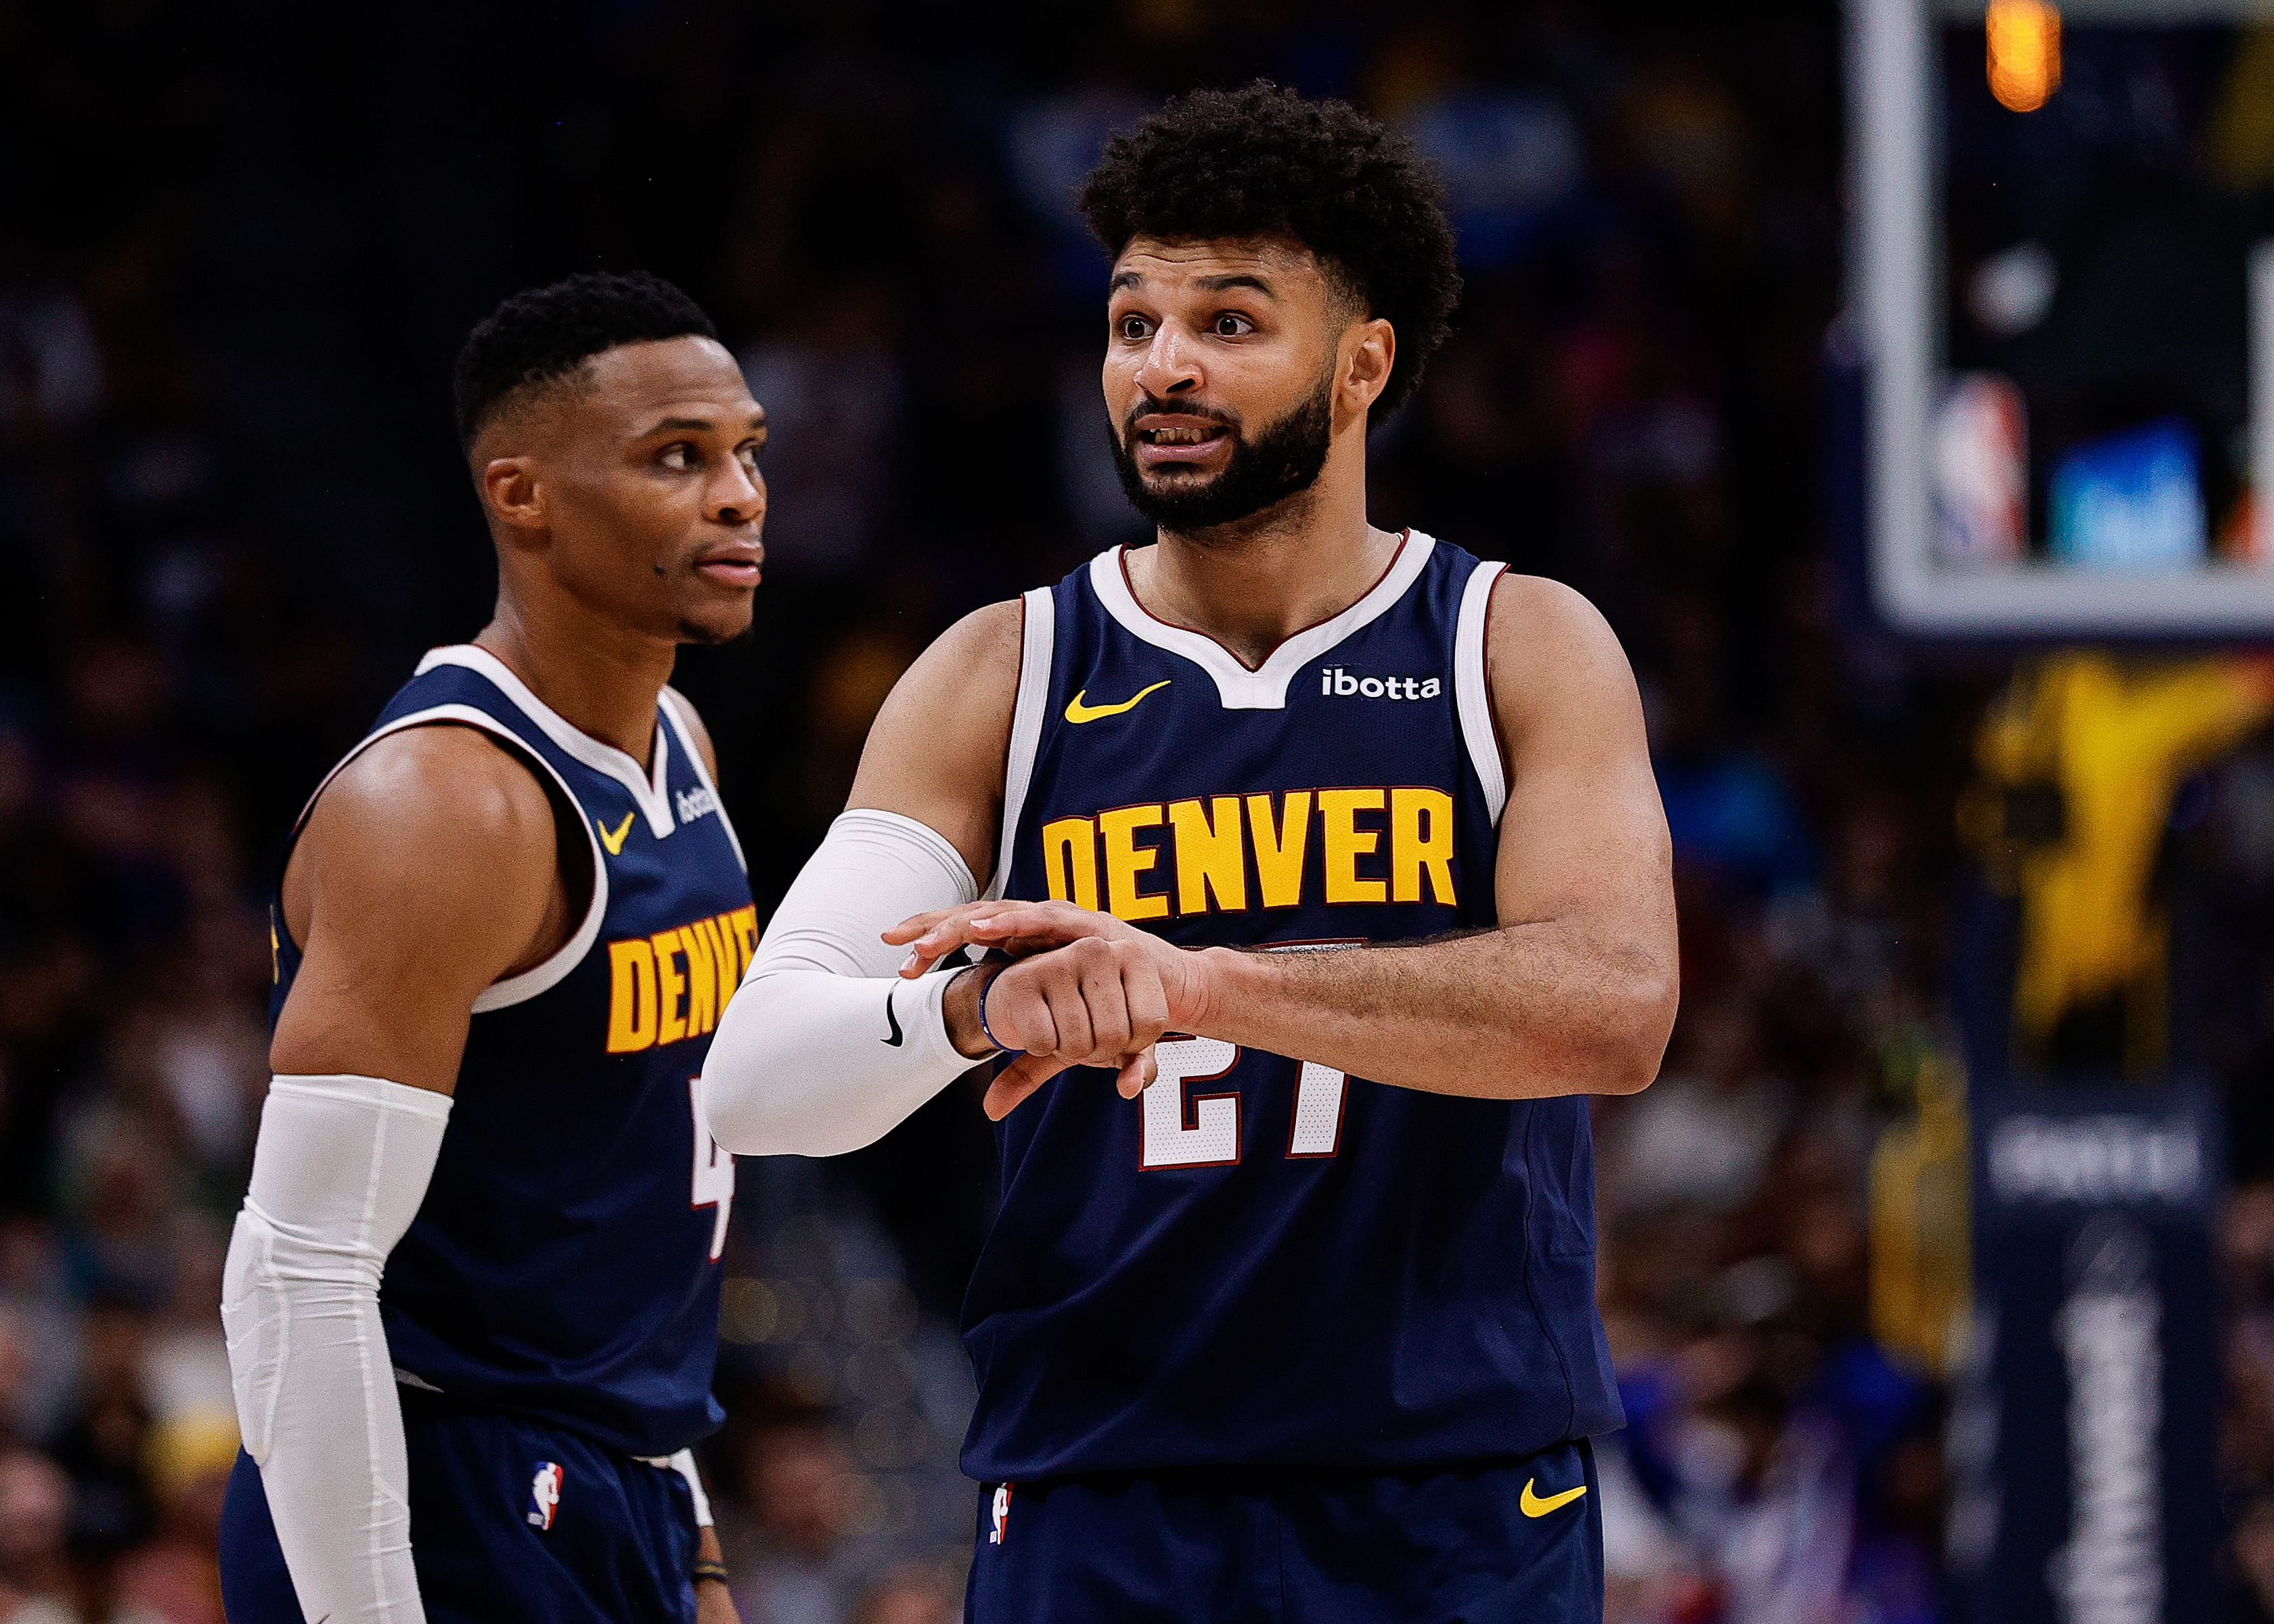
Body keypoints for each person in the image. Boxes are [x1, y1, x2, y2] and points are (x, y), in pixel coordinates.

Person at [703, 84, 1678, 1623]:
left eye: (1229, 323)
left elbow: (1614, 1008)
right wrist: (976, 1015)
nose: (1162, 366)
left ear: (1362, 365)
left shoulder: (1517, 645)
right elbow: (755, 1073)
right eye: (1133, 321)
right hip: (1107, 1490)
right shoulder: (998, 672)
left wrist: (1203, 984)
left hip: (1456, 1499)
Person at [217, 271, 763, 1624]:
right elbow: (294, 1275)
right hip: (427, 1492)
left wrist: (682, 1513)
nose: (741, 496)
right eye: (677, 460)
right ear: (522, 496)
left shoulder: (679, 748)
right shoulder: (446, 808)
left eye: (748, 453)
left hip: (613, 1477)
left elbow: (627, 1186)